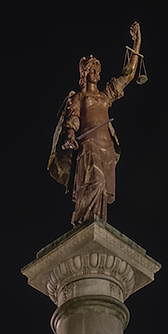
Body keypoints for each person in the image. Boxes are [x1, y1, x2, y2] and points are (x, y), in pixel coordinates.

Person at [48, 23, 143, 225]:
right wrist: (70, 135)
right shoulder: (79, 97)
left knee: (102, 193)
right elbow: (72, 119)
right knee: (95, 183)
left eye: (97, 70)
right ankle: (82, 221)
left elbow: (128, 75)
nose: (96, 73)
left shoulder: (105, 95)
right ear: (85, 73)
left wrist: (137, 42)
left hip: (106, 146)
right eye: (93, 69)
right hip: (89, 144)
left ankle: (96, 224)